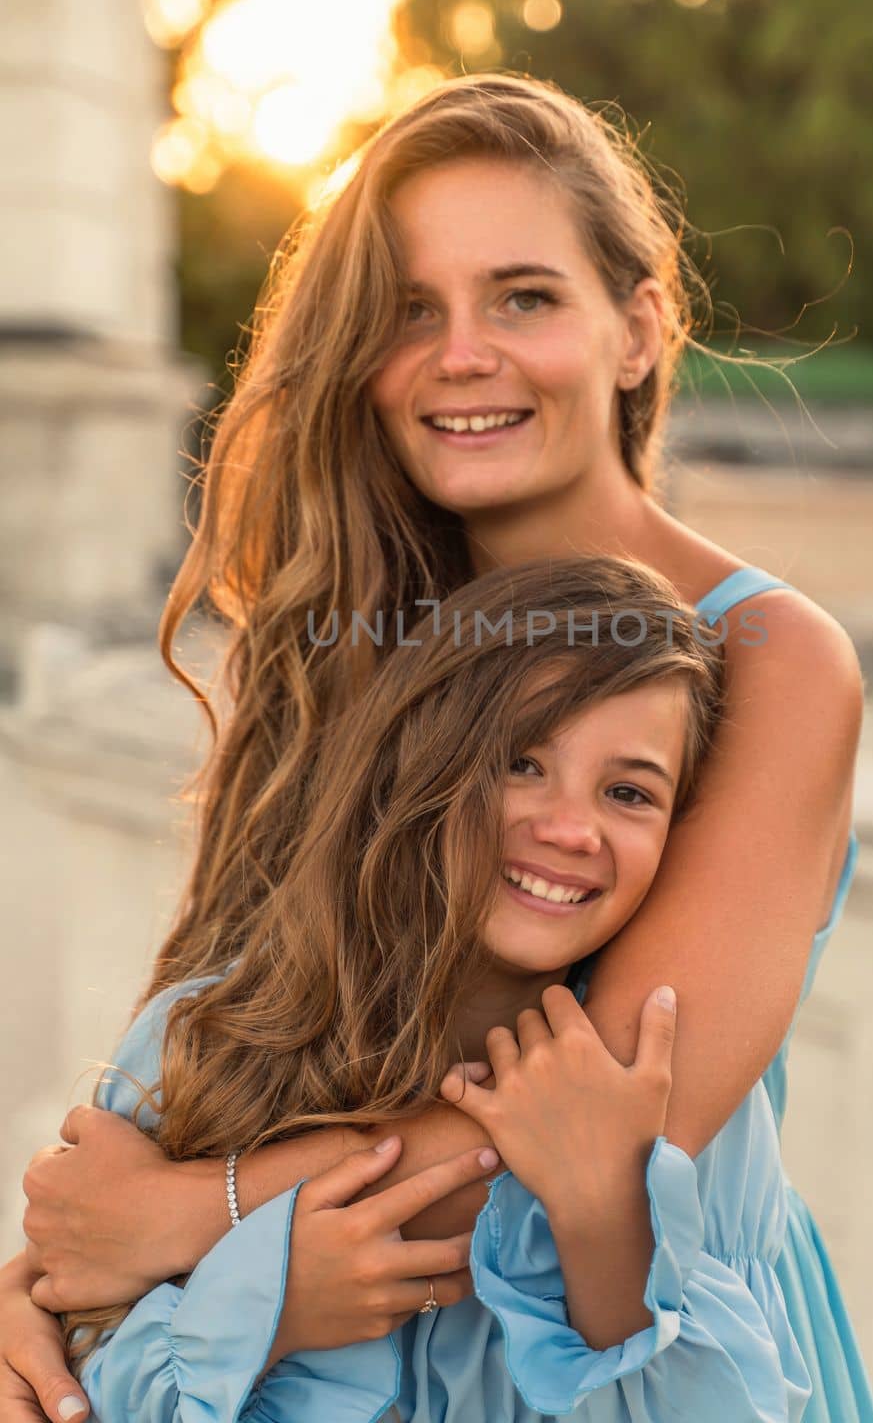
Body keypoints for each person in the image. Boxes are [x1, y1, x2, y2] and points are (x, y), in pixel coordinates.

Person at [9, 71, 873, 1423]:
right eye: (410, 311)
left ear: (638, 329)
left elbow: (601, 1134)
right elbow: (239, 1017)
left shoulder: (768, 657)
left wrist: (192, 1220)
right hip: (335, 1364)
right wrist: (65, 1284)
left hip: (635, 1357)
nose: (458, 353)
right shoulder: (352, 628)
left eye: (522, 297)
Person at [56, 557, 811, 1421]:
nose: (568, 828)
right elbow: (80, 1379)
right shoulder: (202, 1040)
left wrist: (601, 1213)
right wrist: (270, 1313)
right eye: (521, 763)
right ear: (419, 765)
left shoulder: (677, 1091)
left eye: (628, 791)